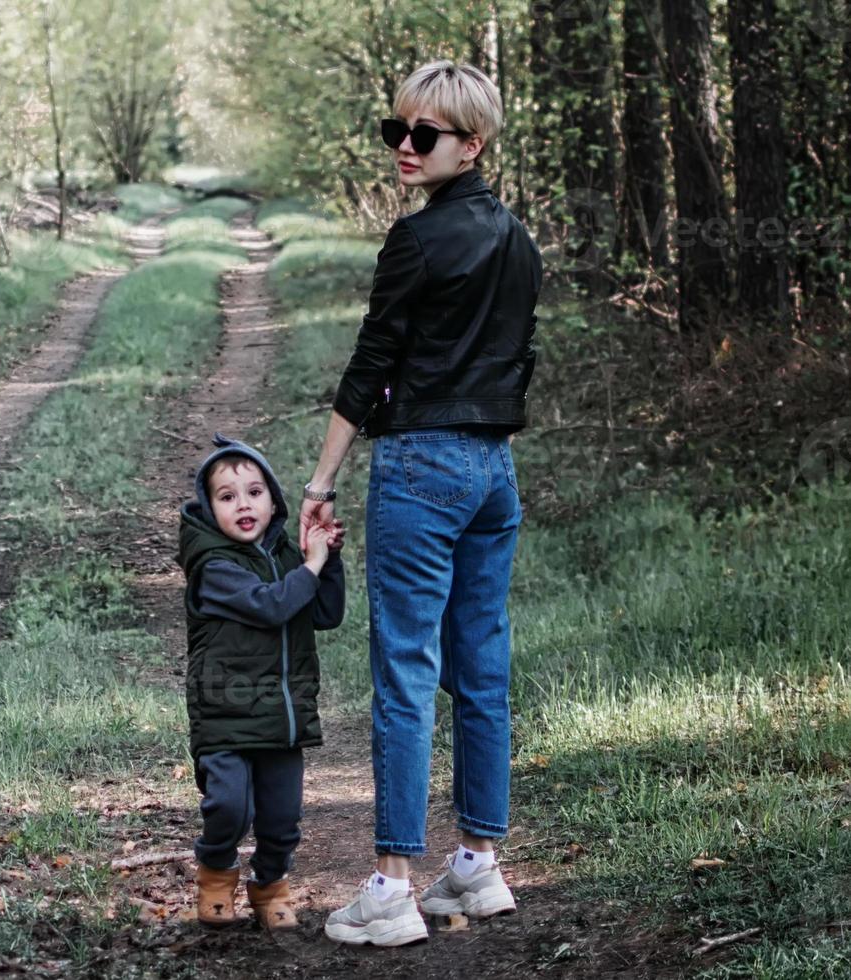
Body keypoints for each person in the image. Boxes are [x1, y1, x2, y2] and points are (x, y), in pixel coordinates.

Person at [300, 61, 543, 947]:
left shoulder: (416, 241)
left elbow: (370, 368)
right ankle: (477, 865)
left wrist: (321, 484)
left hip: (422, 466)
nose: (404, 147)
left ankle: (392, 886)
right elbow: (520, 360)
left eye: (425, 135)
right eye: (395, 131)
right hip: (493, 471)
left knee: (405, 672)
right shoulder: (521, 239)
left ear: (471, 144)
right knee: (480, 668)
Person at [177, 434, 346, 929]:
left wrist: (326, 559)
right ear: (209, 510)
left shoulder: (288, 555)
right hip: (224, 712)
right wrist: (311, 565)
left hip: (281, 713)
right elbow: (271, 605)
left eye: (254, 492)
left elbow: (326, 613)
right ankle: (215, 874)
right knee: (229, 805)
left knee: (280, 817)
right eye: (227, 497)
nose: (243, 504)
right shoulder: (213, 566)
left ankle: (271, 885)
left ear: (274, 502)